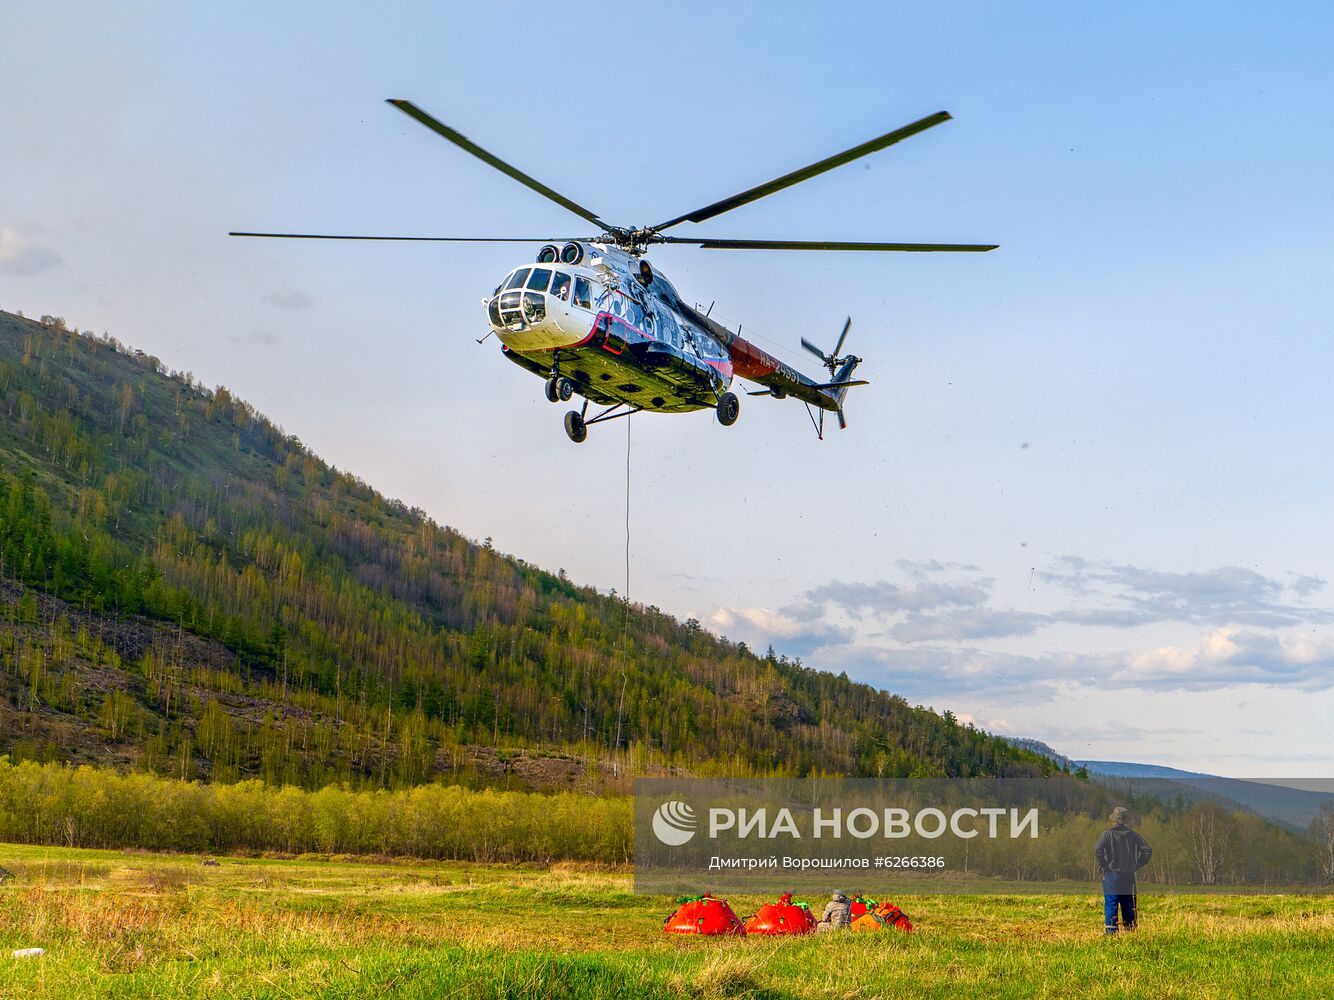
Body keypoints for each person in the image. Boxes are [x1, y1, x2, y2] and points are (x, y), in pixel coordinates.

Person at [1095, 806, 1152, 934]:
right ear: (1125, 820)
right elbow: (1147, 850)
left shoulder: (1107, 834)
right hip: (1128, 874)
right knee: (1127, 903)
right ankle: (1130, 931)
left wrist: (1104, 865)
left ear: (1114, 820)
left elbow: (1098, 850)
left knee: (1111, 902)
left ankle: (1111, 932)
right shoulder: (1133, 835)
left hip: (1111, 874)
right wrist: (1137, 865)